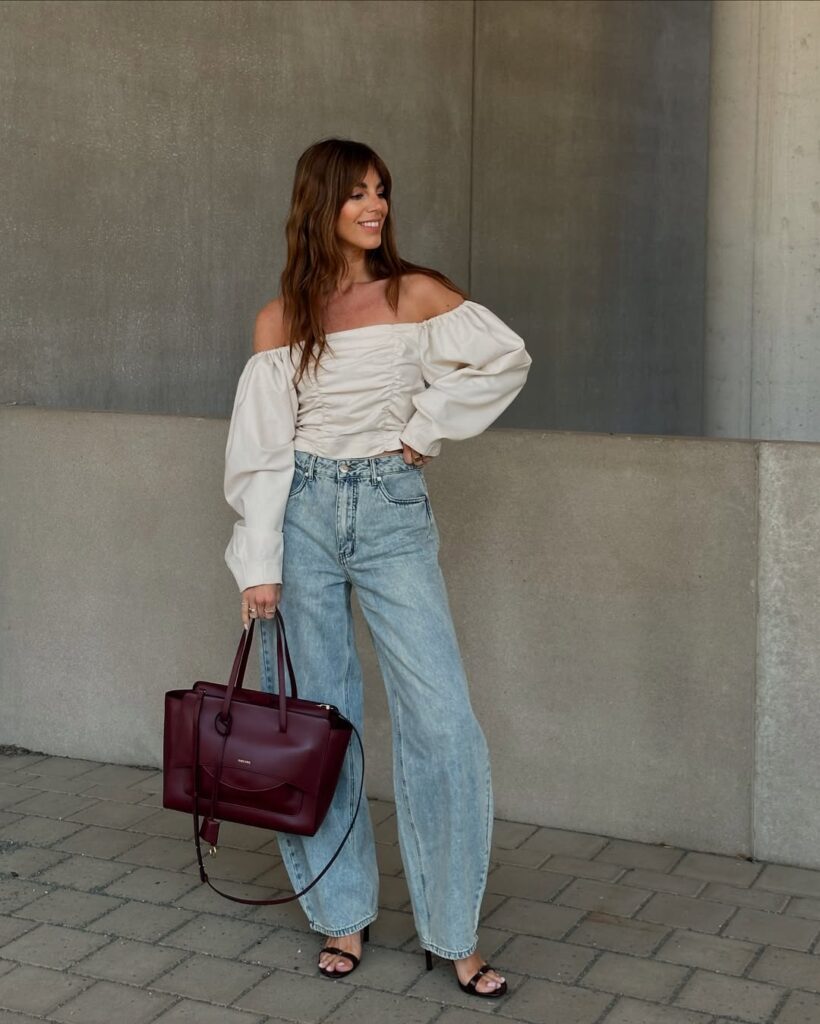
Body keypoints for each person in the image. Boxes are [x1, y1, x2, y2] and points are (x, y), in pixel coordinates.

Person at [223, 138, 532, 999]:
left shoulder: (415, 292)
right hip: (304, 520)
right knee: (322, 719)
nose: (374, 206)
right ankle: (342, 916)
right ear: (316, 204)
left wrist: (421, 430)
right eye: (356, 192)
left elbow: (506, 356)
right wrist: (258, 564)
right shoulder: (282, 318)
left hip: (392, 512)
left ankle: (453, 933)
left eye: (381, 191)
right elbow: (260, 454)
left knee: (441, 722)